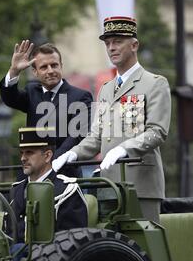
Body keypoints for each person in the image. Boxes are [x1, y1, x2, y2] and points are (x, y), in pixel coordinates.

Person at [53, 16, 172, 223]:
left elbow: (157, 131)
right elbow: (97, 136)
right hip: (108, 185)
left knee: (143, 248)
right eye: (107, 43)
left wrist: (124, 149)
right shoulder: (107, 89)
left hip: (139, 185)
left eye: (117, 41)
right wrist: (72, 153)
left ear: (134, 45)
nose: (111, 48)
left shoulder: (154, 84)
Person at [0, 41, 93, 178]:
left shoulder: (80, 96)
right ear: (35, 72)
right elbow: (10, 99)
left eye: (54, 65)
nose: (50, 71)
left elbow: (77, 135)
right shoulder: (31, 91)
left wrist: (50, 164)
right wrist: (14, 71)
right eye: (44, 67)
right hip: (32, 174)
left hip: (64, 173)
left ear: (61, 66)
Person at [5, 127, 88, 246]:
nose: (23, 158)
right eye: (21, 153)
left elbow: (72, 243)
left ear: (47, 156)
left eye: (29, 152)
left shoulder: (66, 191)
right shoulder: (16, 190)